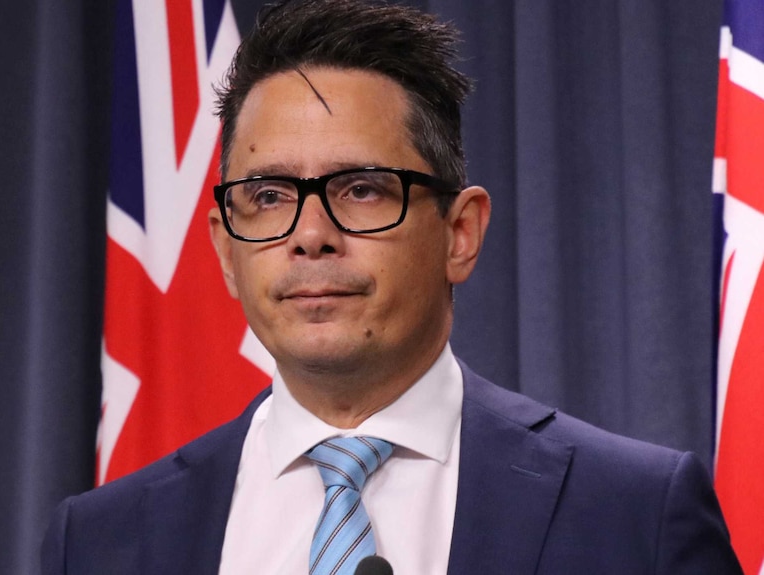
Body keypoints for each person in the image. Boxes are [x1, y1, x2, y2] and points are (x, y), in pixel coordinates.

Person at [42, 1, 742, 573]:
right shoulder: (103, 543)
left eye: (363, 189)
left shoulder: (634, 516)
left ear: (460, 232)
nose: (310, 233)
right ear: (226, 249)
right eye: (269, 195)